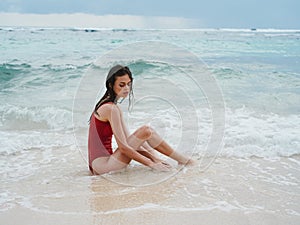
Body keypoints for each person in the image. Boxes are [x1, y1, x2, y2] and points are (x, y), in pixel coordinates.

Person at [88, 65, 195, 175]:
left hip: (99, 166)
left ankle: (177, 160)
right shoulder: (111, 109)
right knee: (146, 131)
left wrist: (154, 158)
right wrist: (150, 163)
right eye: (121, 85)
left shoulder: (110, 106)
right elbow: (124, 148)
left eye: (129, 84)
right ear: (111, 85)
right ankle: (183, 160)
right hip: (104, 167)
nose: (126, 88)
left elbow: (129, 140)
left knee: (146, 138)